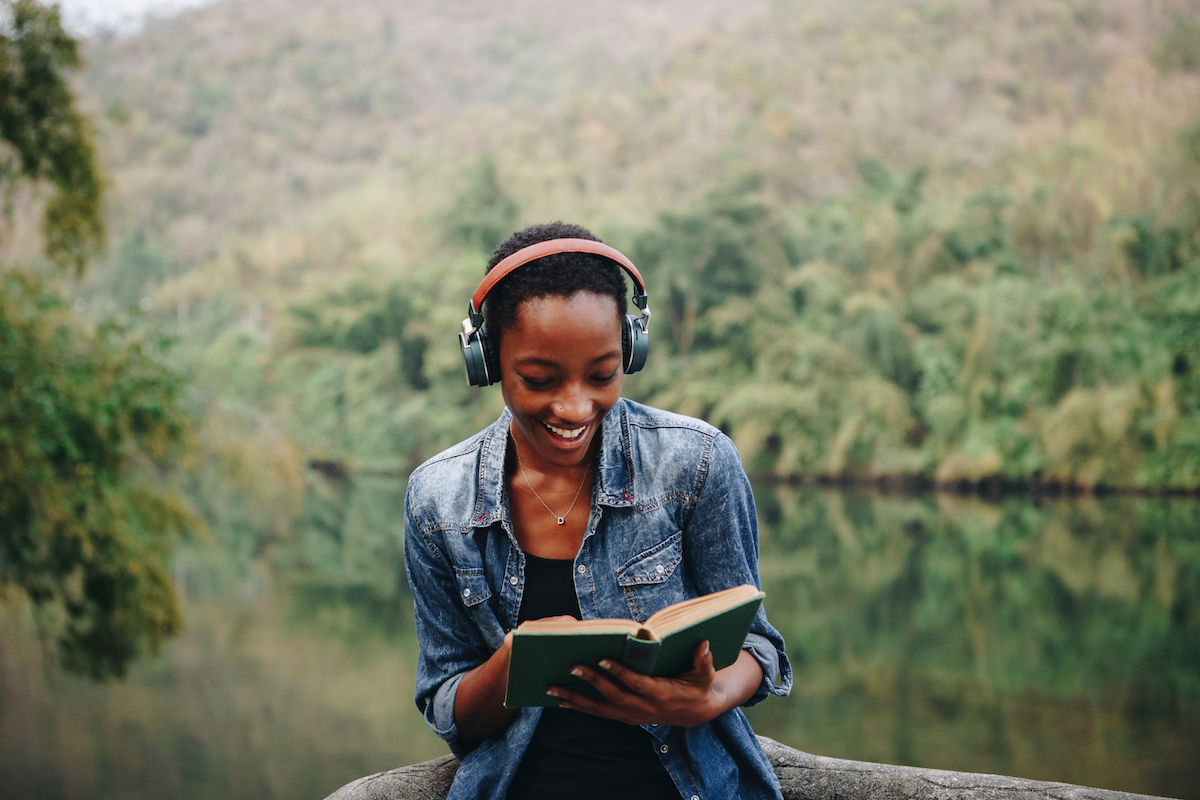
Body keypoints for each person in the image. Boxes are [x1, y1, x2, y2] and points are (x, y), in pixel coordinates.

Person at [404, 221, 791, 800]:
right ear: (486, 360)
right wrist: (512, 663)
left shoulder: (698, 463)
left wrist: (707, 697)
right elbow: (448, 709)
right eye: (539, 379)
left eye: (602, 375)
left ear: (629, 354)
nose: (576, 406)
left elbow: (761, 648)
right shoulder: (437, 501)